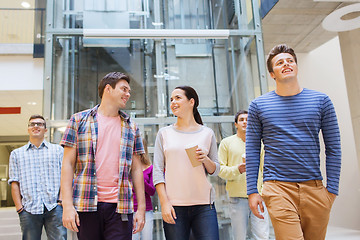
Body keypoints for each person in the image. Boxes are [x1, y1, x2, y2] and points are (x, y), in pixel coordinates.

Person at [246, 44, 341, 240]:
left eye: (290, 61)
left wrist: (331, 190)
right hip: (277, 187)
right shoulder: (258, 106)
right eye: (279, 62)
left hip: (315, 188)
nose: (286, 64)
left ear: (296, 67)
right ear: (272, 74)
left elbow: (333, 148)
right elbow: (253, 149)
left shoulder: (321, 101)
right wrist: (252, 191)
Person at [60, 72, 146, 240]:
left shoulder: (131, 127)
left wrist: (141, 208)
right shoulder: (78, 121)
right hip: (86, 204)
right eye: (124, 89)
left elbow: (136, 170)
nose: (128, 94)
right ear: (108, 89)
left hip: (121, 207)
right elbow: (67, 165)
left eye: (129, 91)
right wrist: (67, 206)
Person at [153, 85, 220, 240]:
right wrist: (164, 203)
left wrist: (205, 159)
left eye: (178, 98)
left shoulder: (207, 133)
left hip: (205, 206)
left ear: (191, 102)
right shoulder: (164, 133)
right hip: (174, 206)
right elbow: (157, 171)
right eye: (171, 99)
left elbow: (215, 170)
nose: (173, 102)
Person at [8, 114, 67, 240]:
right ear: (28, 129)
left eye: (39, 124)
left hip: (54, 207)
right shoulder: (16, 154)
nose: (35, 126)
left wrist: (61, 202)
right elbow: (14, 183)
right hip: (28, 209)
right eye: (32, 124)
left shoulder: (58, 151)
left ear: (45, 130)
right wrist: (20, 208)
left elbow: (65, 177)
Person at [218, 110, 269, 240]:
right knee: (239, 237)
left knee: (262, 236)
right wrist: (237, 169)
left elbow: (266, 170)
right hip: (237, 199)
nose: (245, 121)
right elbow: (220, 170)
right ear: (235, 124)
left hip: (259, 197)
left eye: (248, 119)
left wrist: (263, 192)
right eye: (241, 119)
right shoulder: (226, 143)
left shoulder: (260, 143)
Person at [132, 139, 156, 240]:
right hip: (130, 210)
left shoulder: (150, 168)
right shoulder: (127, 167)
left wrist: (140, 179)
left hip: (147, 211)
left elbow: (152, 191)